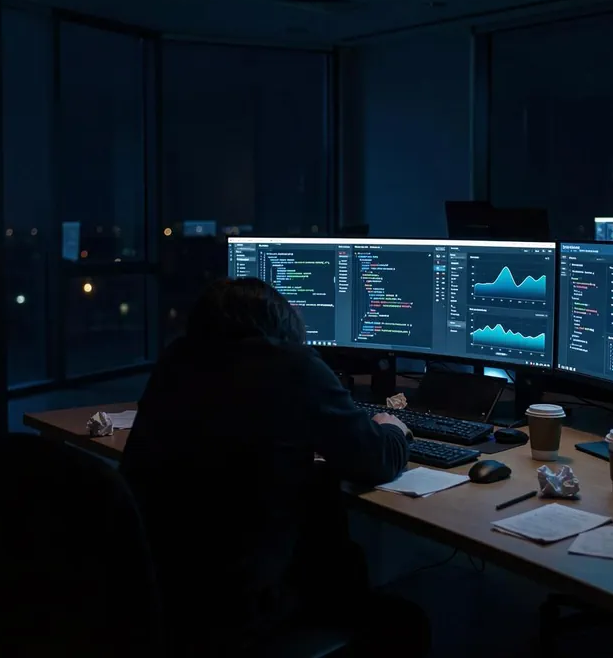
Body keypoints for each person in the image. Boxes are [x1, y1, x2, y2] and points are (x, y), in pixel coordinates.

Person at [120, 277, 431, 656]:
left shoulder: (176, 360)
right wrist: (392, 429)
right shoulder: (293, 366)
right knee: (407, 620)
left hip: (164, 596)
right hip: (246, 610)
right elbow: (376, 461)